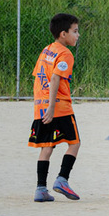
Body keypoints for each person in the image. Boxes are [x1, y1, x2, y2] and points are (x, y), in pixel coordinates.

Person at [28, 12, 82, 202]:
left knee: (47, 146)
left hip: (41, 106)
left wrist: (42, 105)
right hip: (59, 107)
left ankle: (40, 189)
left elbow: (38, 77)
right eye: (75, 31)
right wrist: (52, 106)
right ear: (63, 34)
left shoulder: (46, 50)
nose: (78, 35)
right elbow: (55, 78)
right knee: (74, 143)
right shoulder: (65, 53)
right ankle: (62, 179)